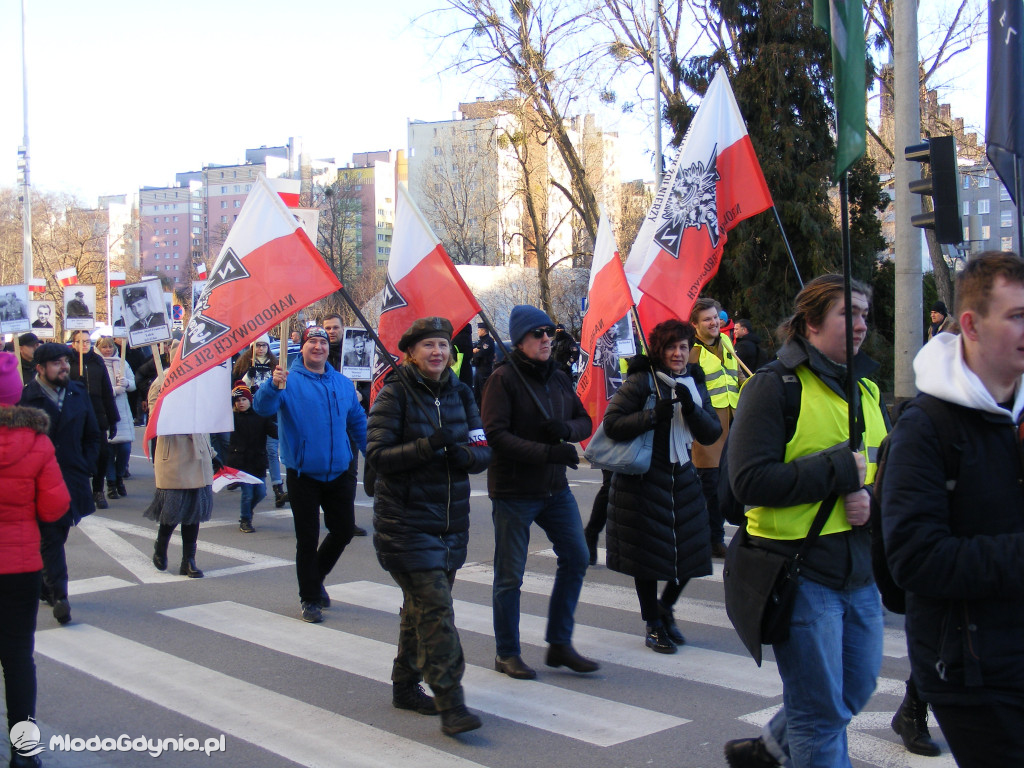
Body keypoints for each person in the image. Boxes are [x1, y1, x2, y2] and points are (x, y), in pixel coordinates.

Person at [722, 274, 888, 768]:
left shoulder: (869, 390)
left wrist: (872, 501)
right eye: (848, 313)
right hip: (800, 574)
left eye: (863, 313)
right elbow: (747, 482)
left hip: (860, 573)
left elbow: (885, 473)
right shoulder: (773, 387)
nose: (861, 324)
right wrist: (836, 472)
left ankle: (771, 748)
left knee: (853, 692)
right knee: (820, 718)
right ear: (811, 323)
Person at [882, 252, 1024, 767]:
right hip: (974, 671)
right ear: (971, 324)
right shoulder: (926, 427)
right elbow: (915, 559)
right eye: (1016, 316)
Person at [368, 317, 491, 736]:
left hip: (450, 522)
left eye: (443, 345)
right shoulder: (394, 394)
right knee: (438, 611)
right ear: (410, 353)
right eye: (428, 346)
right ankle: (451, 702)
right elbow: (378, 456)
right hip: (404, 522)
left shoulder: (460, 393)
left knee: (420, 611)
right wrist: (427, 446)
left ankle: (405, 685)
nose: (437, 352)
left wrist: (467, 458)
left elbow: (481, 447)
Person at [482, 304, 598, 680]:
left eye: (548, 332)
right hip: (515, 490)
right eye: (537, 334)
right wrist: (548, 450)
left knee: (577, 557)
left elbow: (585, 420)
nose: (546, 339)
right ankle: (507, 652)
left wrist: (564, 431)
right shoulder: (503, 379)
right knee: (510, 575)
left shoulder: (560, 376)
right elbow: (496, 437)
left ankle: (559, 643)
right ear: (520, 341)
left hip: (554, 488)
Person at [603, 319, 722, 653]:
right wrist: (654, 416)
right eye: (671, 347)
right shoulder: (642, 381)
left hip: (682, 473)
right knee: (647, 556)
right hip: (642, 479)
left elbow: (711, 432)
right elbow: (612, 424)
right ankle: (653, 624)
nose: (678, 353)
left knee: (693, 548)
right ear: (659, 349)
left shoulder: (694, 381)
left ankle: (665, 606)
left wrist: (690, 408)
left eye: (684, 347)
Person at [253, 326, 367, 624]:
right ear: (301, 348)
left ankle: (315, 579)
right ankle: (310, 598)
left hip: (339, 472)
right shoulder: (286, 381)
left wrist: (376, 456)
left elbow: (358, 423)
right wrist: (270, 385)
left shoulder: (342, 384)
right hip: (303, 473)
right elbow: (262, 409)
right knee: (307, 539)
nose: (318, 347)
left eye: (323, 342)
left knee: (343, 531)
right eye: (312, 342)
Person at [0, 352, 70, 768]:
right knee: (18, 659)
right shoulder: (36, 441)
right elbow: (54, 507)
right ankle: (23, 752)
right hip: (20, 566)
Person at [18, 342, 100, 626]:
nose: (64, 366)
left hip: (72, 479)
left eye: (65, 360)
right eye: (56, 362)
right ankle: (60, 596)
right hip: (40, 482)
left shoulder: (78, 392)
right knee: (51, 538)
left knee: (60, 533)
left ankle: (45, 583)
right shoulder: (26, 398)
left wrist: (86, 466)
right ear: (40, 369)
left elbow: (93, 435)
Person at [145, 357, 216, 579]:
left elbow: (205, 420)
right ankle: (161, 544)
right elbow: (154, 417)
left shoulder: (199, 380)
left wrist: (213, 453)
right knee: (173, 508)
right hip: (174, 450)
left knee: (194, 511)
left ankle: (189, 560)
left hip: (198, 453)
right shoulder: (161, 381)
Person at [689, 297, 743, 559]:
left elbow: (736, 376)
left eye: (715, 317)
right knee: (710, 487)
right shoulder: (693, 352)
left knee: (725, 483)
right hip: (707, 426)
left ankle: (712, 536)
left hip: (732, 422)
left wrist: (749, 385)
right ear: (695, 325)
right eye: (707, 319)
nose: (713, 322)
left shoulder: (726, 342)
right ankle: (713, 539)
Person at [233, 335, 287, 508]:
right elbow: (236, 388)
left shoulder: (275, 364)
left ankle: (278, 487)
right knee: (251, 450)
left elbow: (281, 386)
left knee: (272, 450)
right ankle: (244, 481)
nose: (261, 349)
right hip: (250, 413)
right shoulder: (243, 363)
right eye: (258, 345)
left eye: (264, 345)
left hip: (269, 412)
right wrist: (248, 379)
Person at [68, 331, 119, 511]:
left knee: (102, 453)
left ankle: (98, 490)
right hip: (75, 414)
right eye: (79, 341)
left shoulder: (97, 361)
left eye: (87, 341)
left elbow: (106, 391)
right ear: (73, 343)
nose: (84, 345)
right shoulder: (67, 362)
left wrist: (113, 419)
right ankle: (77, 491)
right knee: (76, 454)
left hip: (97, 414)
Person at [226, 381, 277, 533]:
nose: (241, 403)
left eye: (243, 400)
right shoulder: (232, 418)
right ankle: (245, 519)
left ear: (250, 400)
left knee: (261, 492)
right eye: (238, 400)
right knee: (247, 494)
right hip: (241, 462)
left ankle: (248, 511)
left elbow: (274, 432)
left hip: (257, 461)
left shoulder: (261, 416)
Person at [94, 336, 135, 500]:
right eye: (104, 347)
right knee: (108, 452)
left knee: (125, 449)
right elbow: (97, 387)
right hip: (106, 410)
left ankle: (119, 477)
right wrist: (113, 390)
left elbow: (133, 384)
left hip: (123, 411)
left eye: (110, 346)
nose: (108, 350)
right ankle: (111, 483)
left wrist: (126, 383)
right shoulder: (97, 364)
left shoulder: (122, 362)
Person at [472, 322, 495, 404]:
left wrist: (476, 352)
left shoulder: (488, 341)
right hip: (478, 369)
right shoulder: (480, 342)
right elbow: (474, 352)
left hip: (485, 369)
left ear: (484, 330)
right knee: (477, 392)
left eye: (479, 330)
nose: (478, 332)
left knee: (484, 392)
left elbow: (482, 353)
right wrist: (475, 351)